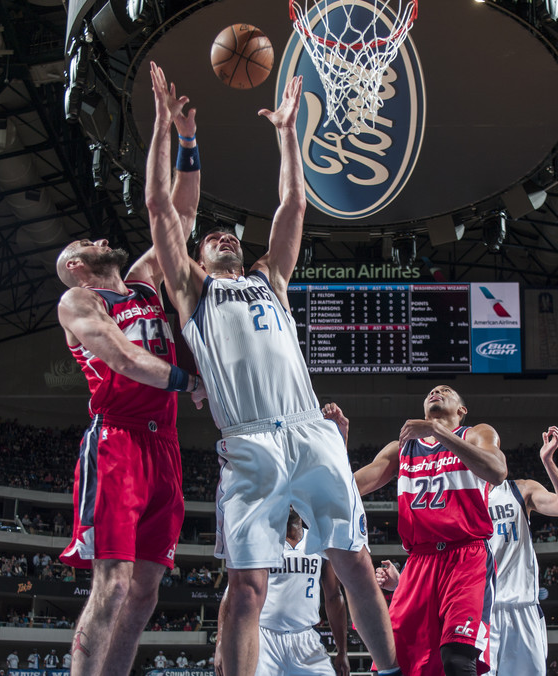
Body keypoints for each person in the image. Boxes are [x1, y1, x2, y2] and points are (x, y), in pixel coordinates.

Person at [145, 61, 398, 676]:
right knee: (247, 589)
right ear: (197, 254)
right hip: (250, 441)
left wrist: (287, 132)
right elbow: (158, 204)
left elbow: (294, 203)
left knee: (356, 566)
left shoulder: (270, 279)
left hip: (309, 430)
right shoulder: (191, 290)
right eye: (211, 238)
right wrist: (164, 127)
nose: (224, 238)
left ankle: (391, 672)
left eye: (230, 236)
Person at [54, 65, 205, 676]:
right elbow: (122, 357)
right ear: (75, 269)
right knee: (111, 585)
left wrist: (183, 136)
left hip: (163, 444)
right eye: (79, 248)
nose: (91, 241)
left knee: (145, 592)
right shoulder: (78, 302)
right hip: (116, 443)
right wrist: (184, 380)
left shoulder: (143, 282)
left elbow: (180, 213)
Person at [347, 385, 507, 676]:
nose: (438, 391)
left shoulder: (476, 433)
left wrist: (437, 430)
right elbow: (351, 487)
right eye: (433, 391)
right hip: (419, 561)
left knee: (457, 659)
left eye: (447, 391)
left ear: (462, 410)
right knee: (390, 661)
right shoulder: (402, 447)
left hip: (465, 555)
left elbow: (497, 471)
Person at [482, 426, 558, 676]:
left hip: (523, 606)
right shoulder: (463, 499)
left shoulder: (520, 489)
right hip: (483, 610)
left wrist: (548, 462)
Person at [217, 510, 349, 676]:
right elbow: (232, 592)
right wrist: (221, 644)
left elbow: (334, 597)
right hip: (264, 638)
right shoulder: (262, 540)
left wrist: (342, 651)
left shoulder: (319, 542)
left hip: (306, 638)